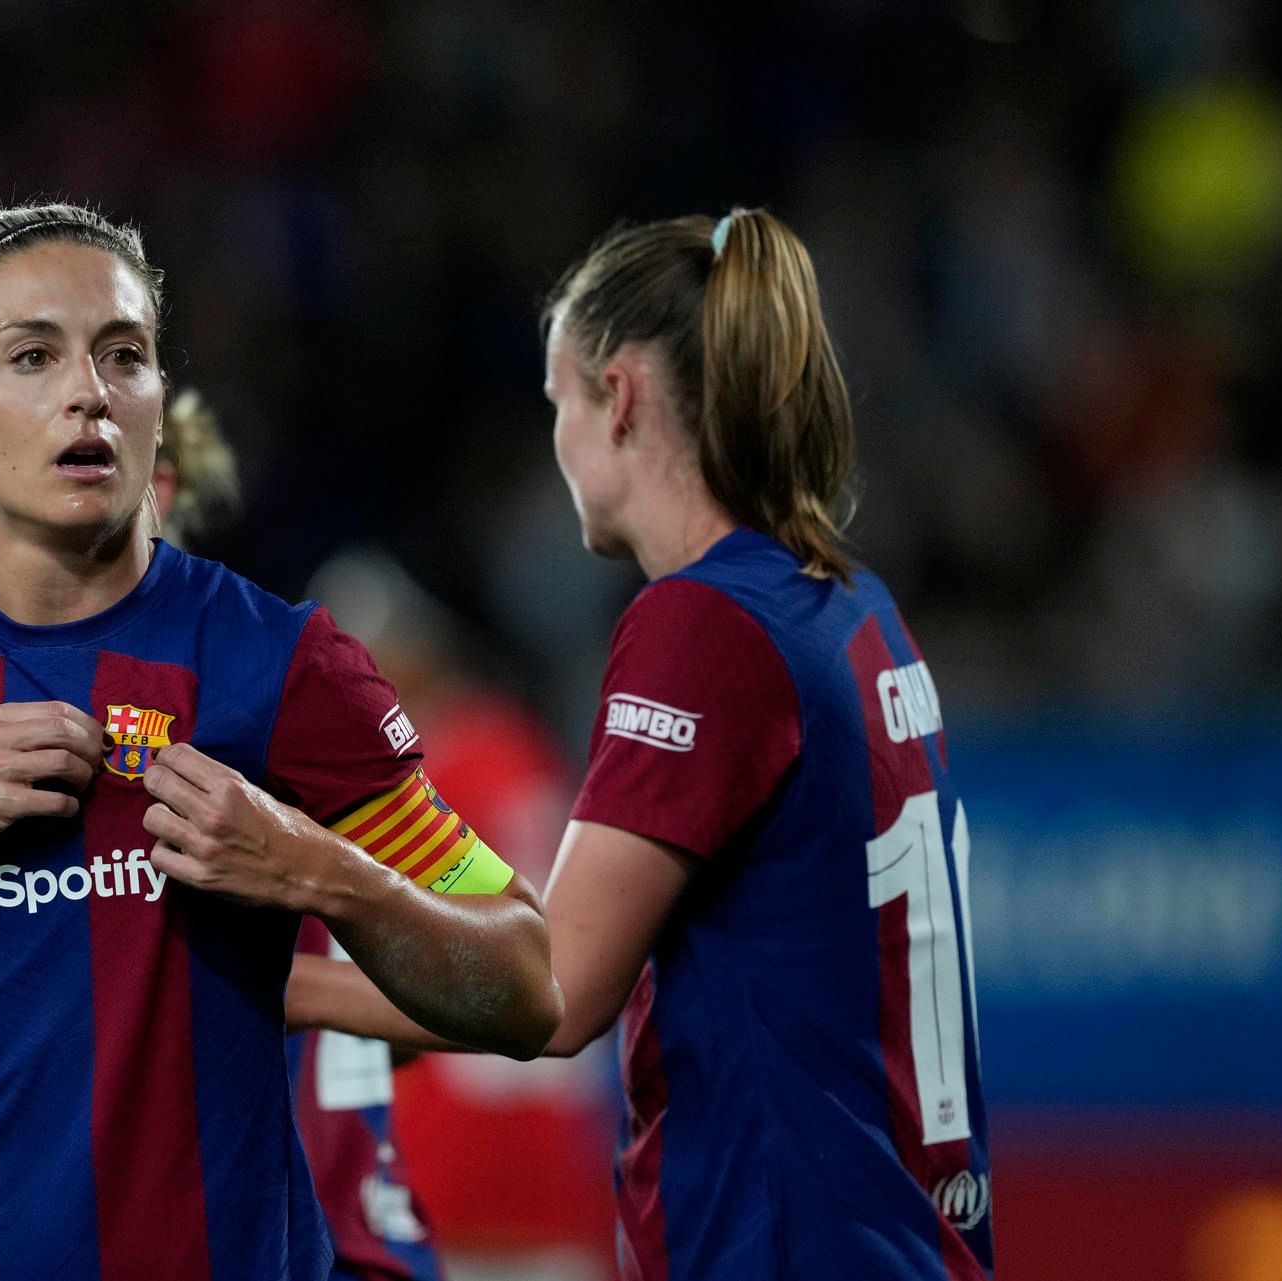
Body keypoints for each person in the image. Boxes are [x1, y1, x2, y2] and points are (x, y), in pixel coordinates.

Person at [0, 201, 560, 1281]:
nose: (88, 393)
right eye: (34, 357)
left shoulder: (280, 661)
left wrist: (317, 871)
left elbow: (526, 982)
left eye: (124, 356)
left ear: (156, 398)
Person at [285, 208, 996, 1281]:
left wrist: (262, 975)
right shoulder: (854, 607)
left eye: (557, 401)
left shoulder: (701, 624)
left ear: (616, 397)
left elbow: (555, 991)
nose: (557, 442)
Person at [0, 389, 447, 1281]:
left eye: (151, 489)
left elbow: (506, 990)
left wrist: (254, 986)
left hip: (327, 1235)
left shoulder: (271, 722)